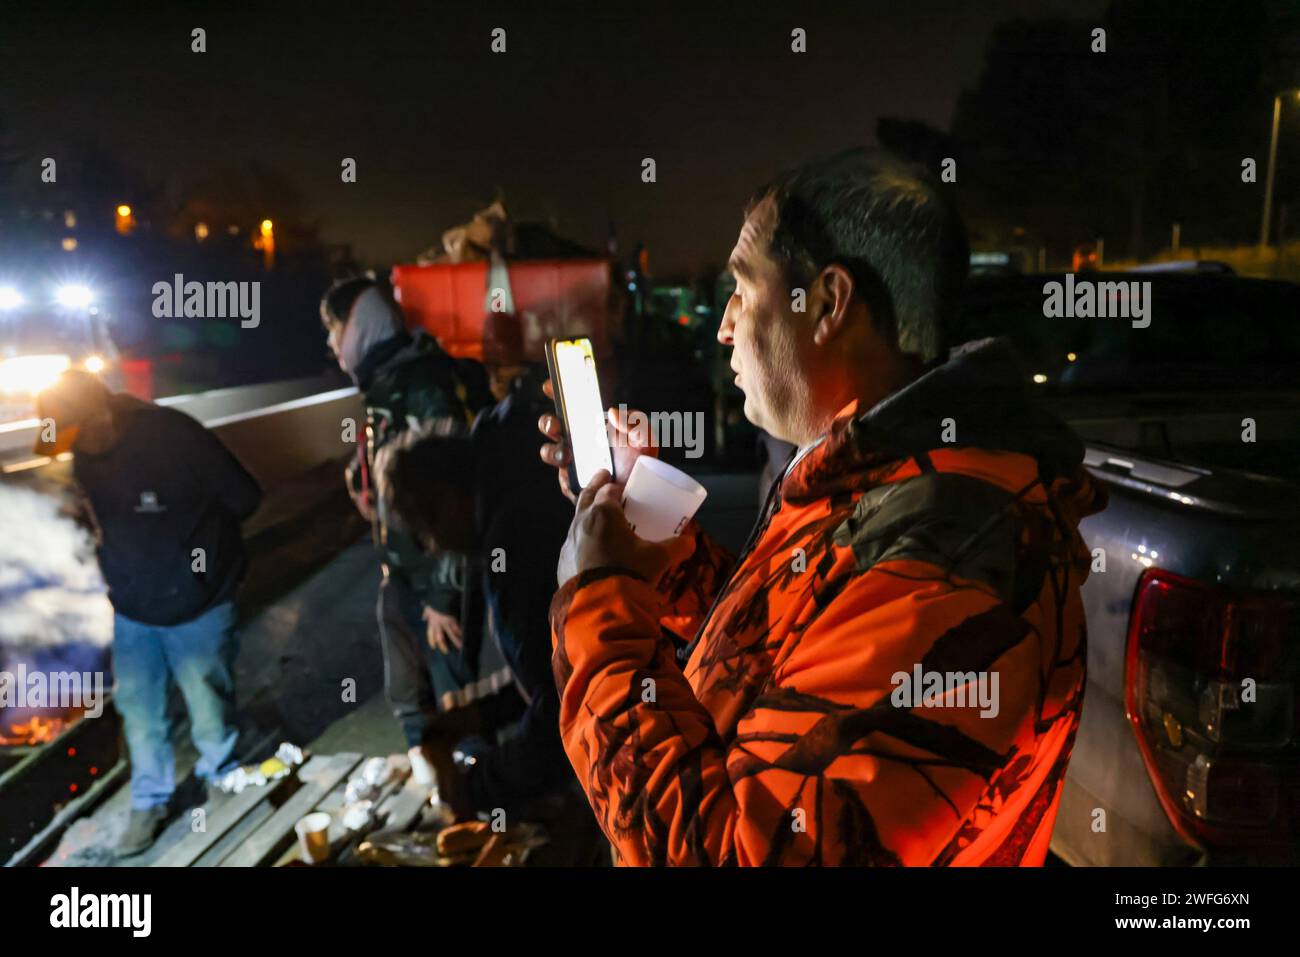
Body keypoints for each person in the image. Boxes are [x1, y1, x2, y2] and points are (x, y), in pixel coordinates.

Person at [539, 149, 1108, 866]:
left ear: (830, 303)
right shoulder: (887, 478)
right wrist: (645, 517)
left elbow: (740, 853)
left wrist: (598, 606)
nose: (723, 329)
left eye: (743, 292)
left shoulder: (952, 559)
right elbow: (798, 656)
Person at [34, 371, 262, 857]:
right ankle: (150, 800)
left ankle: (222, 775)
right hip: (133, 604)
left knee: (206, 698)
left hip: (197, 601)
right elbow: (103, 511)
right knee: (138, 708)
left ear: (99, 415)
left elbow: (245, 498)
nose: (73, 450)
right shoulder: (85, 454)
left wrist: (197, 559)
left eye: (75, 434)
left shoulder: (172, 435)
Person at [375, 370, 575, 820]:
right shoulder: (522, 493)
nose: (433, 546)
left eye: (425, 531)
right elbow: (558, 666)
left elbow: (565, 713)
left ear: (448, 499)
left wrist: (474, 789)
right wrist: (481, 715)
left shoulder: (512, 544)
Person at [319, 278, 495, 780]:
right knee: (406, 692)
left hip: (436, 580)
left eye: (334, 329)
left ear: (362, 326)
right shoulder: (387, 383)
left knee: (455, 699)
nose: (332, 345)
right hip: (400, 570)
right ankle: (437, 786)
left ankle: (480, 800)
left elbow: (461, 497)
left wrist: (444, 594)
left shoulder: (424, 384)